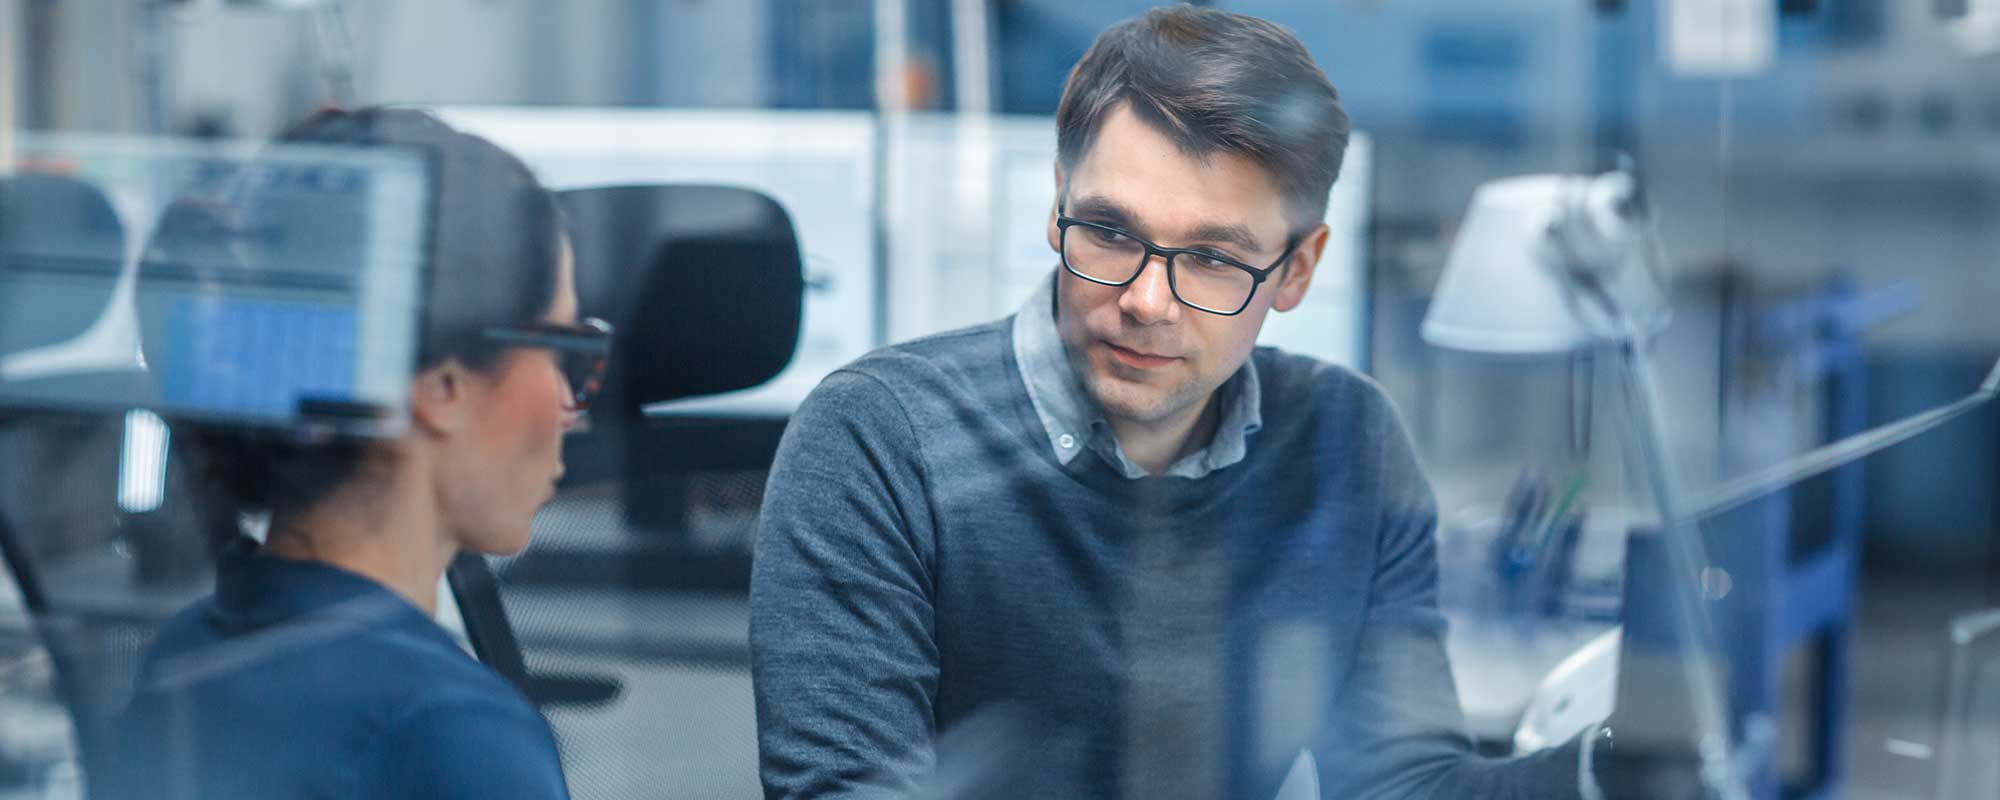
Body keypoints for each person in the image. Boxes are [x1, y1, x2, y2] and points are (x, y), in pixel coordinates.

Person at [750, 7, 1605, 799]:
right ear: (1057, 208)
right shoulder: (881, 440)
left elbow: (1403, 784)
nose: (1147, 301)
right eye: (1112, 233)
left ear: (1298, 271)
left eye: (1212, 260)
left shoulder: (1347, 442)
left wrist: (1622, 757)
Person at [106, 107, 608, 800]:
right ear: (443, 385)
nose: (567, 407)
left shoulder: (189, 655)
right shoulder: (450, 734)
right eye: (563, 352)